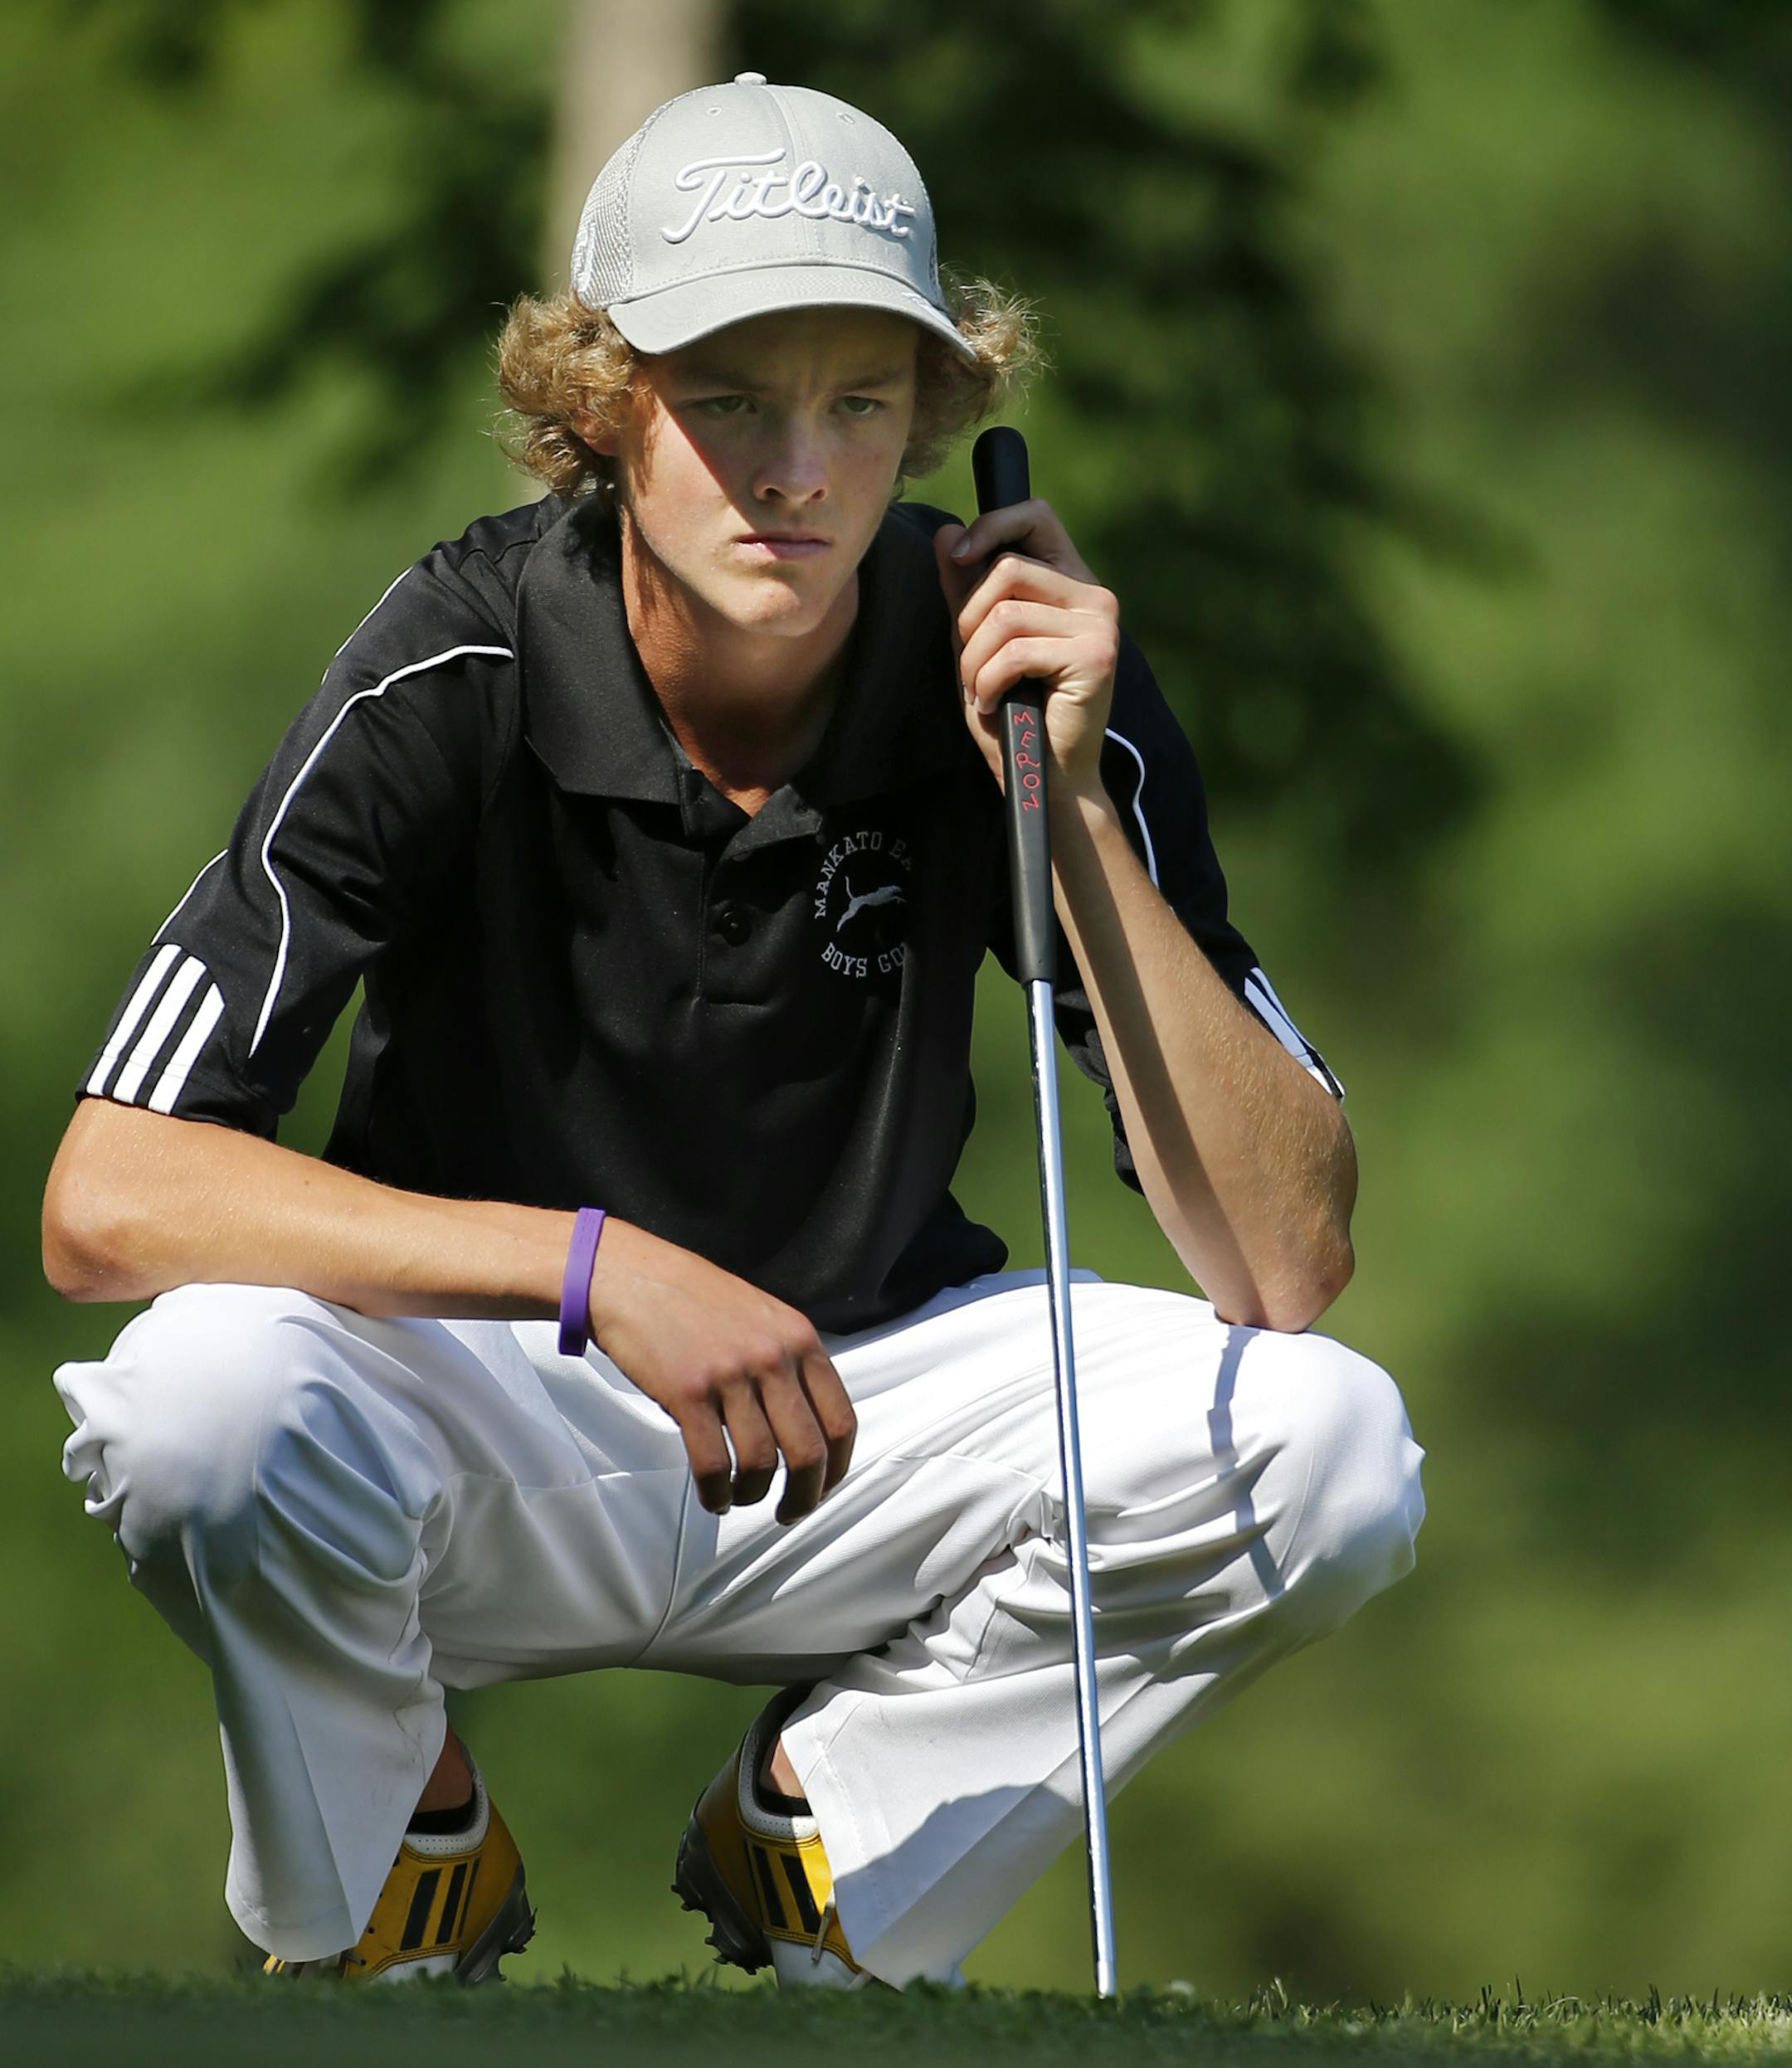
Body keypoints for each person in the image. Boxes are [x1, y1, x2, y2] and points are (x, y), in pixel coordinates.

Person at [43, 75, 1424, 1989]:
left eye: (863, 402)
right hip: (490, 1414)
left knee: (1331, 1449)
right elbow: (106, 1191)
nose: (800, 471)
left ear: (933, 416)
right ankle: (396, 1878)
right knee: (200, 1404)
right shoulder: (456, 660)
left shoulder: (1024, 670)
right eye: (731, 402)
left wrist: (1083, 807)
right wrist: (595, 1267)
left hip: (867, 1415)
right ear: (603, 406)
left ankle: (834, 1850)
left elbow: (1288, 1255)